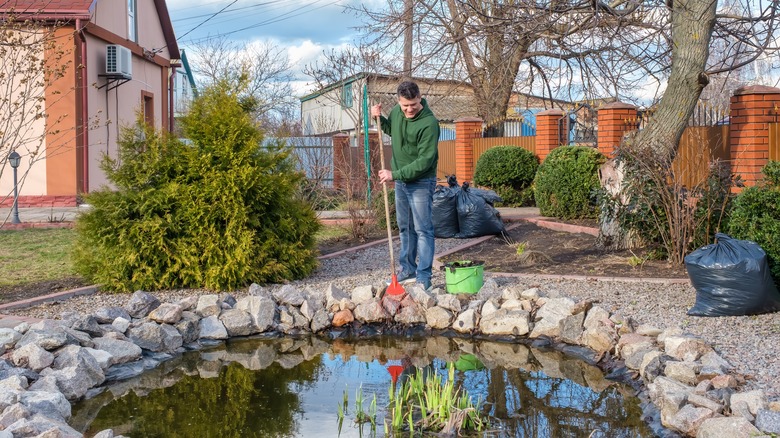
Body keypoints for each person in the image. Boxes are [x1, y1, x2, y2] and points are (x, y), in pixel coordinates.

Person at [371, 81, 439, 291]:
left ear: (420, 98)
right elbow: (392, 130)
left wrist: (395, 174)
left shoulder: (429, 123)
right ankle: (407, 269)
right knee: (405, 228)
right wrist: (378, 118)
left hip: (420, 181)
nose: (409, 110)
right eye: (405, 106)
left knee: (423, 229)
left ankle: (424, 276)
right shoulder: (396, 113)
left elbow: (424, 161)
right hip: (400, 180)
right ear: (399, 102)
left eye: (413, 105)